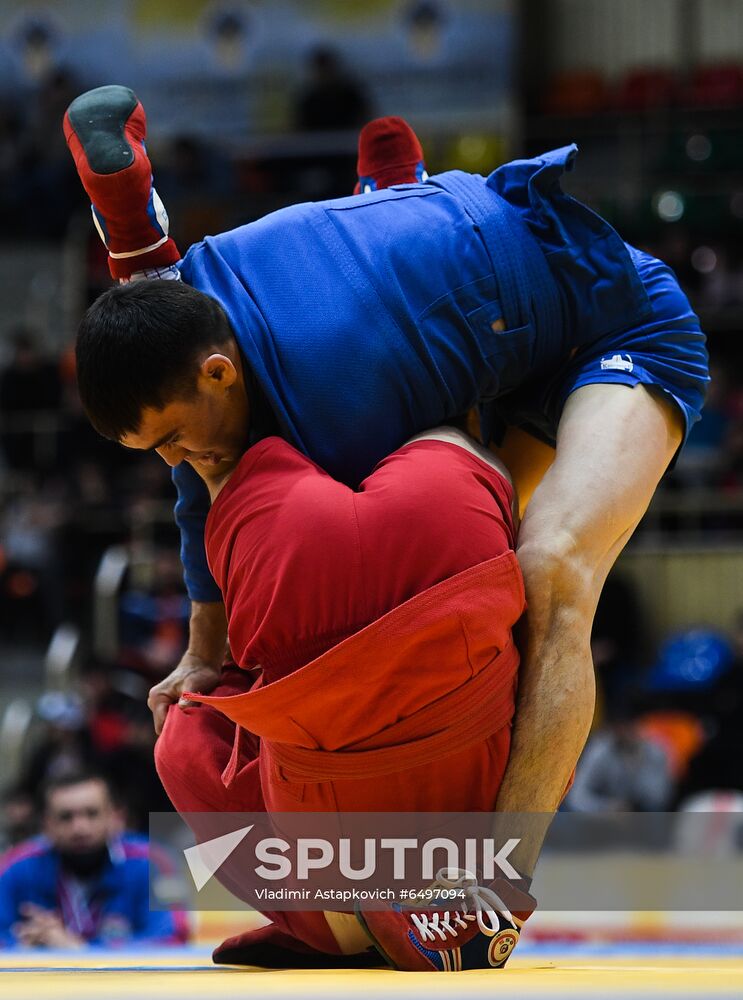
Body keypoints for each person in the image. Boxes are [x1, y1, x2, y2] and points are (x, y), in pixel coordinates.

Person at [64, 86, 709, 888]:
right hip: (479, 303)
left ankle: (496, 883)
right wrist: (202, 651)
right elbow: (203, 487)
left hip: (616, 326)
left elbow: (288, 526)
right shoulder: (193, 298)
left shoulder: (336, 390)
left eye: (168, 439)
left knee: (544, 575)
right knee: (456, 545)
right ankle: (347, 201)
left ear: (222, 371)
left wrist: (246, 675)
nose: (172, 462)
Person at [155, 423, 533, 971]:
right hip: (461, 503)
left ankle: (343, 928)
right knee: (556, 648)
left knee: (182, 735)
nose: (171, 453)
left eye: (170, 440)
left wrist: (206, 659)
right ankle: (488, 895)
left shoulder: (232, 472)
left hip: (334, 874)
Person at [0, 771, 188, 948]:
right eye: (66, 817)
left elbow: (173, 937)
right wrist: (22, 947)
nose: (80, 828)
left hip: (129, 983)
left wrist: (80, 951)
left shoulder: (154, 861)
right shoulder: (15, 866)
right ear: (46, 823)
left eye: (92, 813)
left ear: (116, 816)